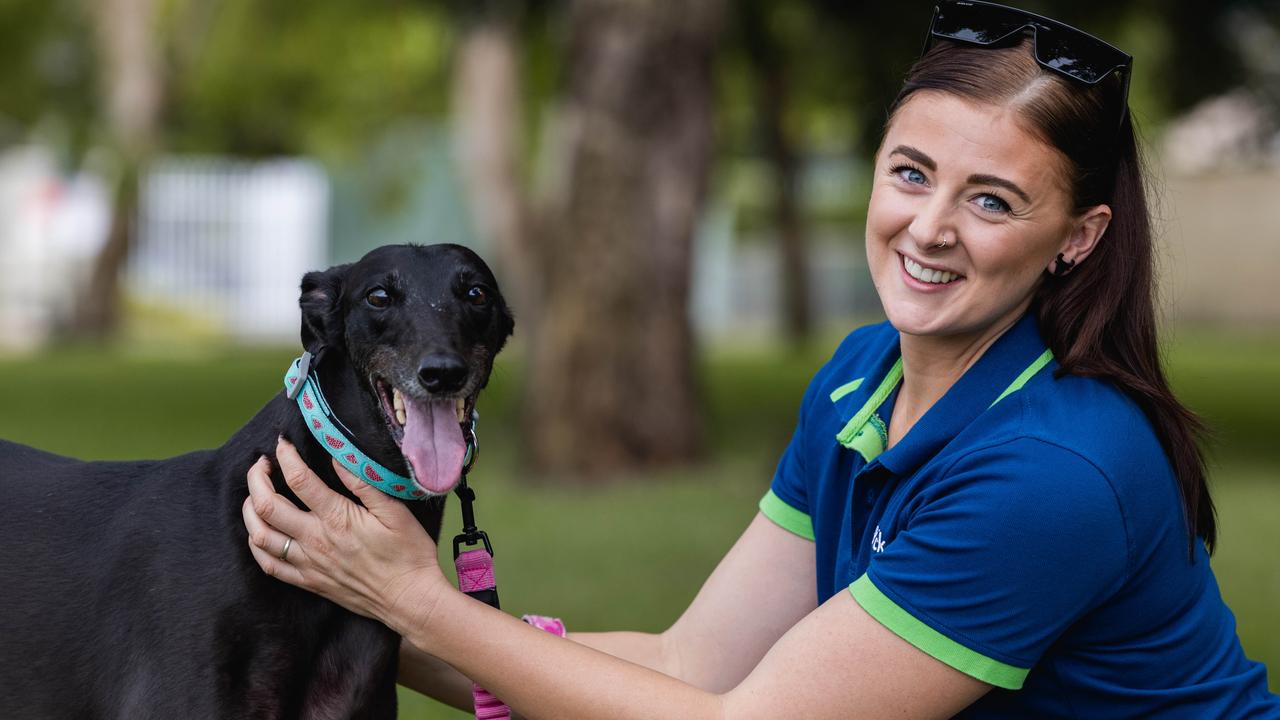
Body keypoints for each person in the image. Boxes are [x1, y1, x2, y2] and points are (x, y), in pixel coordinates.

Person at [242, 2, 1280, 717]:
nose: (927, 229)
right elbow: (688, 666)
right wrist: (360, 613)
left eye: (991, 200)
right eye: (909, 173)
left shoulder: (1053, 473)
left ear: (1078, 237)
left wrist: (415, 600)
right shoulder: (860, 376)